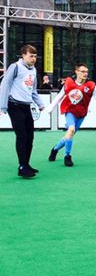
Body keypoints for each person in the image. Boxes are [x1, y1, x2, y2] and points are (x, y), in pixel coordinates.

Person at [45, 63, 96, 166]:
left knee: (69, 134)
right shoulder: (69, 82)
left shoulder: (91, 85)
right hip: (69, 110)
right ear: (76, 72)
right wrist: (50, 107)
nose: (85, 74)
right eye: (82, 71)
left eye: (86, 72)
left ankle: (55, 149)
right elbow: (60, 96)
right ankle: (67, 156)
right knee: (71, 129)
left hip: (81, 114)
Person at [0, 44, 45, 178]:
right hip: (14, 105)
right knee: (22, 136)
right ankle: (22, 167)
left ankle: (26, 163)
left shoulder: (34, 70)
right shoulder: (15, 67)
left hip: (26, 106)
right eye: (31, 56)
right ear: (24, 55)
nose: (33, 59)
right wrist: (2, 107)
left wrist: (41, 105)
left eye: (35, 56)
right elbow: (5, 85)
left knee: (30, 137)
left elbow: (33, 90)